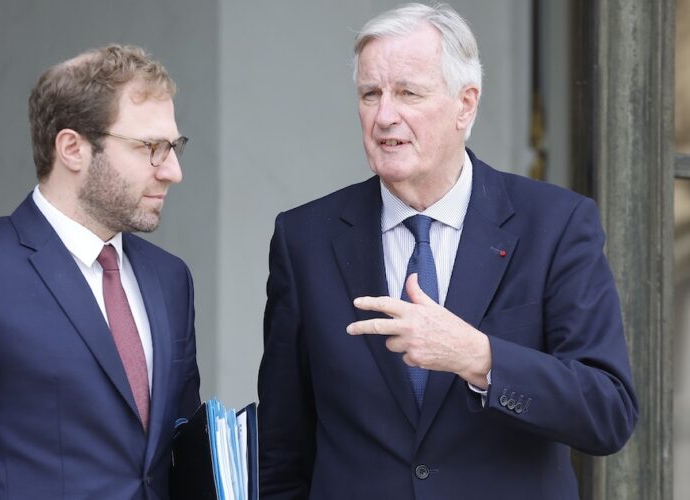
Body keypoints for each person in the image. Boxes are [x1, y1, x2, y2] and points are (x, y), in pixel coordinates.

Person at [257, 3, 638, 499]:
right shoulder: (304, 237)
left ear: (466, 104)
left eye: (408, 93)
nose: (384, 115)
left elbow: (607, 412)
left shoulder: (555, 225)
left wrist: (479, 357)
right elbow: (281, 448)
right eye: (371, 94)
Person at [0, 45, 200, 499]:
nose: (173, 171)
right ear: (72, 148)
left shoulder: (170, 280)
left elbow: (177, 460)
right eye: (151, 148)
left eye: (174, 147)